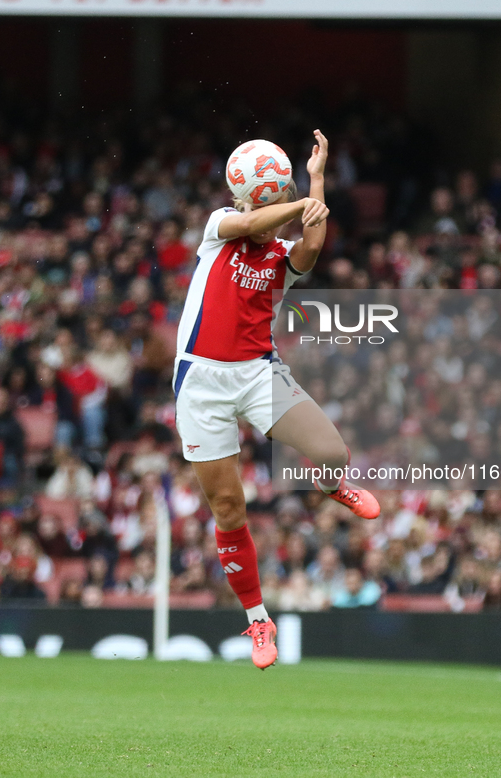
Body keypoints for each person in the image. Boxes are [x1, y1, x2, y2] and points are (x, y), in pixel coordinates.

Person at [173, 130, 380, 670]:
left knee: (334, 452)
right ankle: (257, 619)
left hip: (257, 374)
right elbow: (249, 222)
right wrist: (291, 200)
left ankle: (331, 485)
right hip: (201, 381)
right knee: (227, 507)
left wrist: (316, 178)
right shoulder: (219, 228)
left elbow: (311, 245)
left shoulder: (284, 255)